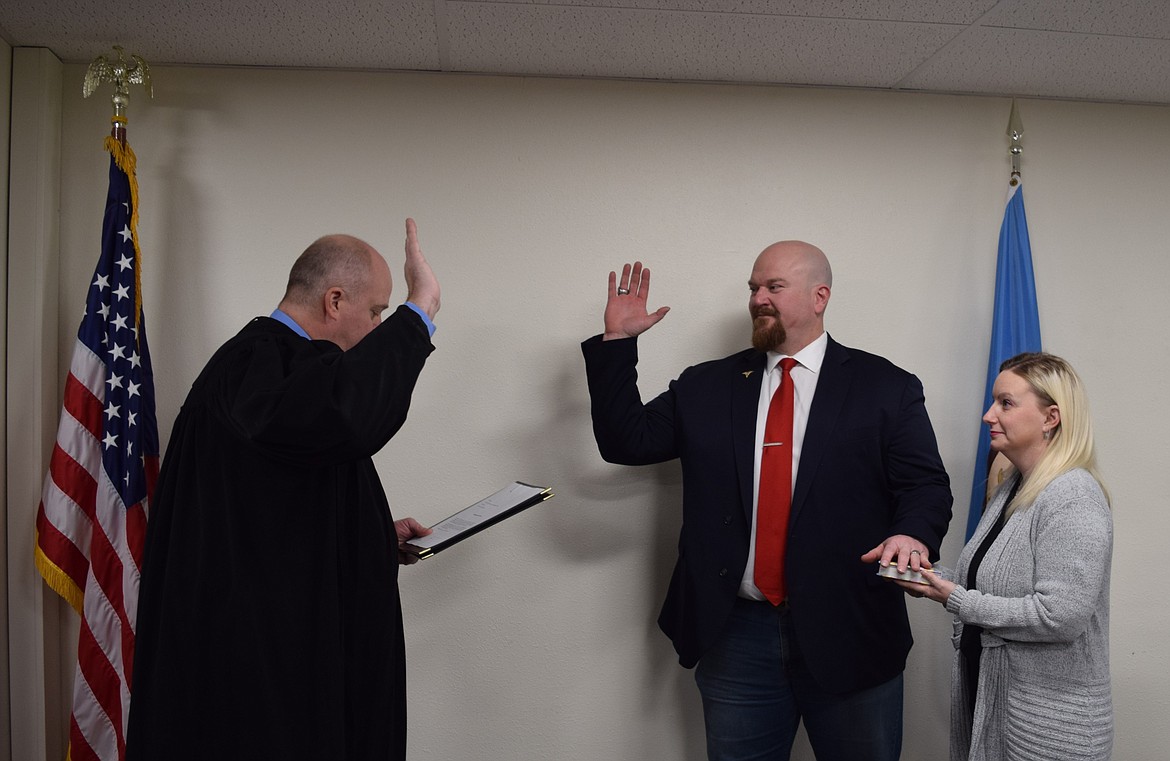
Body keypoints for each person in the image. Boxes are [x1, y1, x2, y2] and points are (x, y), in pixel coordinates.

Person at [581, 243, 953, 761]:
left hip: (850, 628)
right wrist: (617, 342)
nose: (758, 299)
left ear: (819, 296)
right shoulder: (706, 385)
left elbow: (925, 485)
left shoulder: (885, 387)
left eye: (773, 287)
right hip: (737, 636)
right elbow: (627, 442)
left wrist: (913, 533)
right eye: (753, 288)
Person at [127, 219, 440, 761]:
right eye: (378, 312)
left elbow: (275, 510)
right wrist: (421, 311)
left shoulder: (275, 371)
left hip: (275, 652)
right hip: (262, 675)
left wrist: (369, 535)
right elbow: (348, 415)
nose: (379, 325)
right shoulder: (258, 364)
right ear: (335, 300)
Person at [899, 352, 1113, 760]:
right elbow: (993, 584)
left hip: (1051, 729)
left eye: (1006, 403)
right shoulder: (1013, 485)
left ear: (1051, 417)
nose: (988, 415)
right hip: (998, 705)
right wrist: (931, 578)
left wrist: (955, 599)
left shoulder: (1072, 496)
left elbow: (1060, 618)